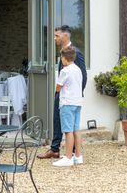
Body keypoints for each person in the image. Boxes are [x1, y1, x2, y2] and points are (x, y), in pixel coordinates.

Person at [38, 25, 87, 159]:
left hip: (69, 97)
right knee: (57, 121)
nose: (54, 38)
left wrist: (75, 94)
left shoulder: (75, 52)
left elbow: (83, 76)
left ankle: (71, 153)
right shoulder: (63, 52)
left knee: (69, 126)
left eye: (57, 36)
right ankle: (55, 149)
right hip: (62, 95)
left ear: (66, 36)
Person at [51, 45, 83, 166]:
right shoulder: (78, 69)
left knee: (68, 130)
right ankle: (78, 156)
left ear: (64, 58)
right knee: (76, 129)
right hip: (77, 102)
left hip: (67, 103)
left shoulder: (65, 71)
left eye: (61, 58)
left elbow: (58, 87)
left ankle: (68, 158)